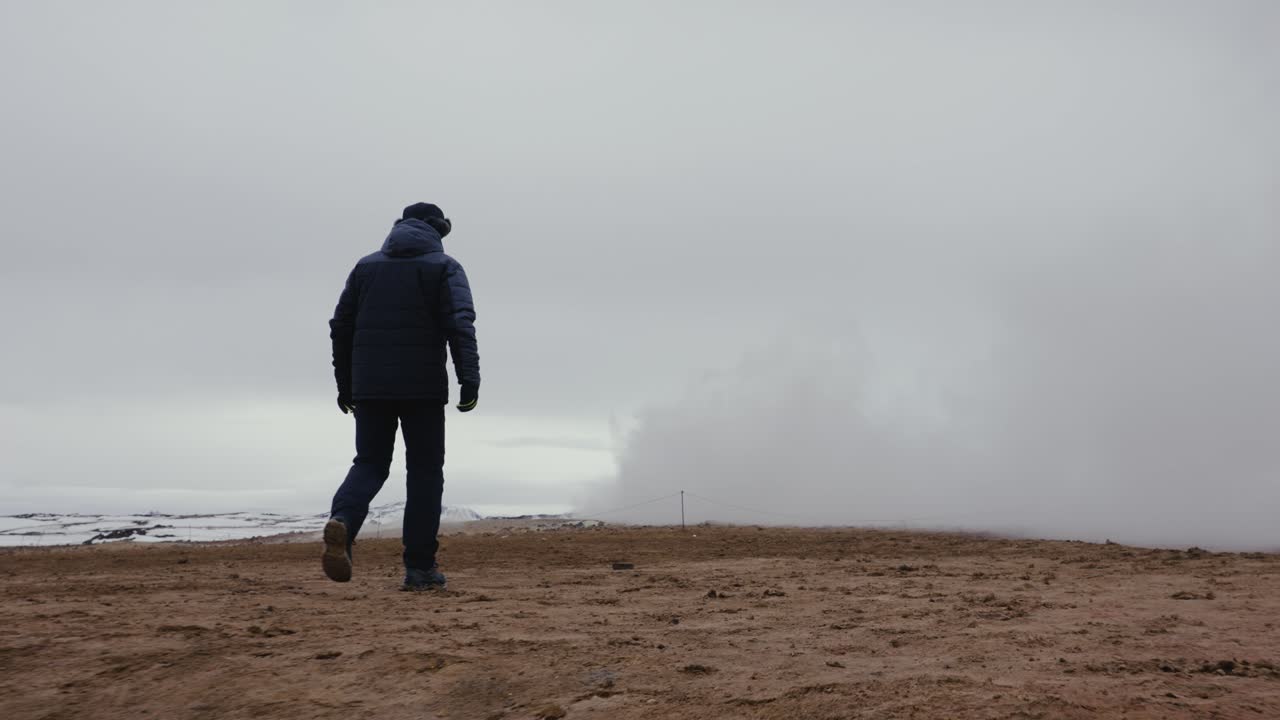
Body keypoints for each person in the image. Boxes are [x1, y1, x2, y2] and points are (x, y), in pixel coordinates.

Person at [323, 202, 480, 591]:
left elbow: (340, 327)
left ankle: (343, 520)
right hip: (423, 388)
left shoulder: (365, 268)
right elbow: (460, 324)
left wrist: (346, 384)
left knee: (370, 463)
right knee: (425, 473)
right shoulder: (445, 267)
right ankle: (420, 568)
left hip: (370, 387)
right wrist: (469, 380)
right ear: (438, 230)